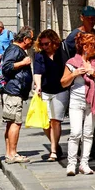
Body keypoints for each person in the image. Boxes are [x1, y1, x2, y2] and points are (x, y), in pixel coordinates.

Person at [61, 33, 95, 176]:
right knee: (75, 133)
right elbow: (63, 83)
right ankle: (71, 164)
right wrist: (74, 74)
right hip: (76, 101)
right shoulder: (72, 62)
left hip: (93, 101)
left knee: (88, 134)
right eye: (93, 45)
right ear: (85, 47)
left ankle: (84, 164)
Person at [33, 30, 68, 161]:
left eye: (47, 44)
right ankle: (56, 145)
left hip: (60, 90)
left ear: (54, 42)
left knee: (55, 121)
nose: (44, 47)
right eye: (42, 44)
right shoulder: (40, 55)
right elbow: (37, 72)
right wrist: (38, 86)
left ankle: (53, 151)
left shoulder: (61, 52)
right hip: (46, 91)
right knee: (45, 123)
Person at [1, 26, 34, 164]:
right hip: (14, 91)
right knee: (15, 122)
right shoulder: (15, 50)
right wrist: (23, 63)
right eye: (31, 39)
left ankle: (9, 153)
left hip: (14, 91)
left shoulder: (14, 49)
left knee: (11, 122)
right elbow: (7, 67)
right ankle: (12, 154)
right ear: (25, 39)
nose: (33, 42)